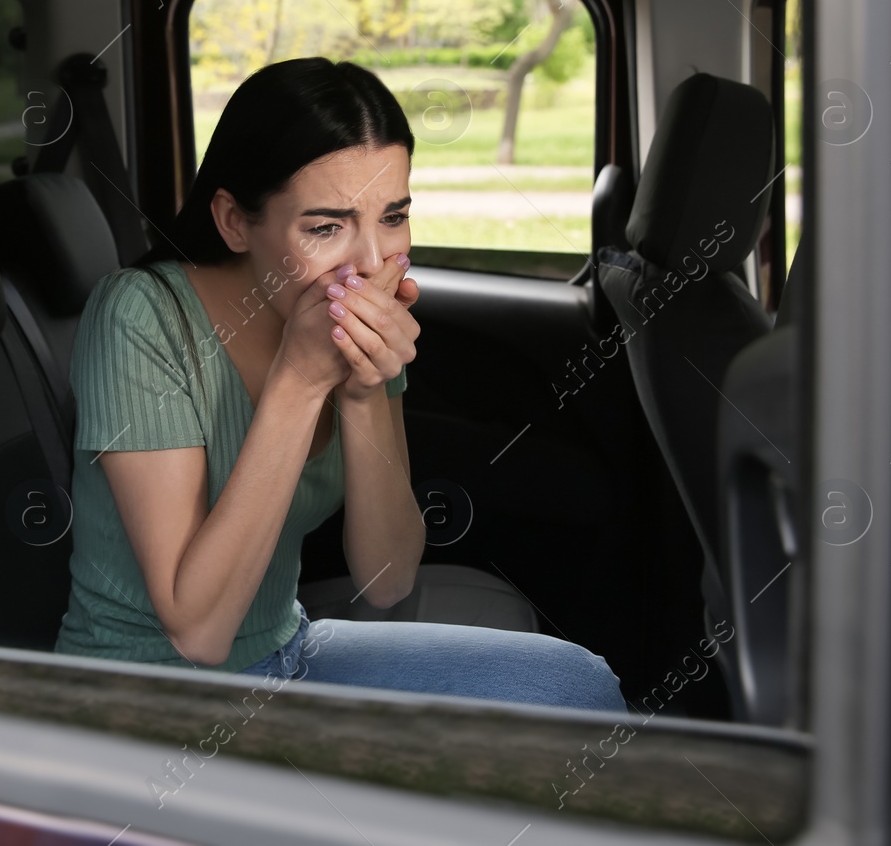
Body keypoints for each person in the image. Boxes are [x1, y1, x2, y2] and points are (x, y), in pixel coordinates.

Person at [53, 57, 623, 711]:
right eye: (326, 226)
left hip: (286, 652)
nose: (372, 261)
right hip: (144, 694)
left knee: (578, 685)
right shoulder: (138, 316)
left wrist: (360, 391)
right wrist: (298, 382)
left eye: (392, 216)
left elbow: (387, 578)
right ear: (235, 220)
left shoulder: (342, 315)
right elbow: (200, 632)